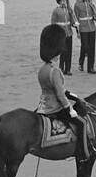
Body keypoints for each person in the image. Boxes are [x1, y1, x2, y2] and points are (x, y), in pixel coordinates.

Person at [35, 24, 91, 167]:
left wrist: (73, 95)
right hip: (55, 107)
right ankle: (83, 153)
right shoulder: (55, 71)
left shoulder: (43, 69)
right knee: (82, 123)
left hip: (42, 106)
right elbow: (60, 95)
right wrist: (70, 109)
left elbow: (53, 89)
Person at [73, 0, 96, 75]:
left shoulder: (90, 3)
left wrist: (95, 14)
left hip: (91, 27)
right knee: (85, 46)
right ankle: (81, 61)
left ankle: (90, 67)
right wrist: (77, 31)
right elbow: (76, 18)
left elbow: (95, 14)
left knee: (91, 48)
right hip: (83, 28)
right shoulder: (77, 5)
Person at [51, 0, 75, 76]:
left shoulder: (69, 10)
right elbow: (53, 23)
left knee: (69, 52)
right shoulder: (56, 11)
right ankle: (61, 67)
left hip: (69, 33)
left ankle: (68, 69)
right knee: (63, 52)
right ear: (59, 2)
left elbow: (72, 20)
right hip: (61, 33)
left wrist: (74, 24)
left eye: (65, 1)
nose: (64, 2)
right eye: (62, 1)